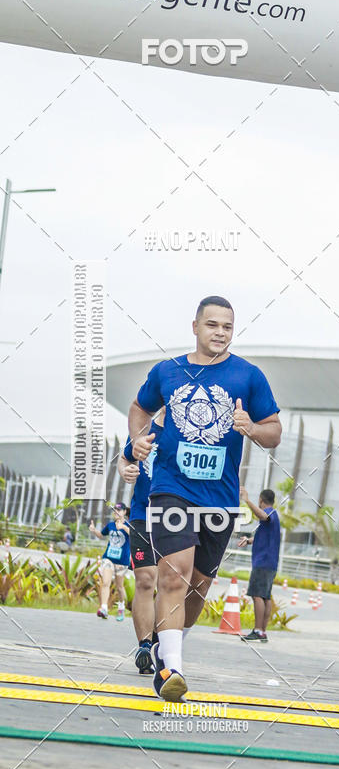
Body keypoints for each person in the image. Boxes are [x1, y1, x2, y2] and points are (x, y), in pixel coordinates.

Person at [128, 295, 281, 702]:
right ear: (195, 326)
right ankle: (171, 670)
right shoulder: (168, 371)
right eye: (212, 325)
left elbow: (274, 432)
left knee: (197, 589)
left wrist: (251, 427)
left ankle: (168, 643)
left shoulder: (248, 377)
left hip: (219, 498)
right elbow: (140, 408)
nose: (220, 333)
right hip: (171, 489)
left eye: (227, 327)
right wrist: (137, 441)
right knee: (174, 572)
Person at [119, 407, 165, 674]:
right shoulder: (145, 431)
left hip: (176, 519)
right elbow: (124, 459)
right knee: (146, 579)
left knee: (172, 583)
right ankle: (145, 646)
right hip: (141, 515)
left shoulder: (191, 433)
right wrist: (125, 471)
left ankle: (164, 642)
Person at [237, 487, 280, 642]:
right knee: (265, 597)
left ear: (261, 500)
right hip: (270, 562)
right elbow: (264, 537)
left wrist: (247, 500)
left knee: (257, 595)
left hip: (263, 561)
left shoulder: (269, 513)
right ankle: (262, 631)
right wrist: (248, 540)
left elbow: (263, 516)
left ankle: (257, 630)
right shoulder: (274, 516)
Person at [89, 504, 132, 621]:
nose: (116, 512)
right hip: (108, 558)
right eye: (114, 510)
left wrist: (122, 527)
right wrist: (94, 531)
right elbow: (102, 535)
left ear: (124, 512)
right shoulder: (110, 525)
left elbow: (134, 536)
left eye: (118, 510)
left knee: (119, 586)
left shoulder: (129, 525)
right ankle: (104, 608)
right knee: (106, 582)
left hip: (122, 561)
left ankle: (121, 607)